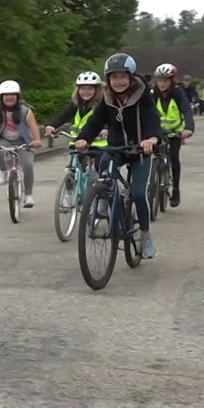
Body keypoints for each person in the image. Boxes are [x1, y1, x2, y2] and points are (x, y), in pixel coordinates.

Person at [73, 53, 162, 259]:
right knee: (104, 166)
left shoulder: (143, 95)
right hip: (117, 147)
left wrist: (152, 139)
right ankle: (103, 198)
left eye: (123, 76)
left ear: (131, 77)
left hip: (141, 149)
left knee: (139, 194)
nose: (118, 81)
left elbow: (152, 119)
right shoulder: (108, 98)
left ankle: (146, 236)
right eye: (113, 77)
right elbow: (96, 120)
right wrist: (83, 138)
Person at [0, 80, 43, 207]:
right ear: (1, 97)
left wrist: (37, 140)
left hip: (23, 141)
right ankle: (3, 170)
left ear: (17, 96)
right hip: (4, 139)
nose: (9, 97)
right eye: (6, 95)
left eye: (12, 94)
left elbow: (33, 127)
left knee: (27, 165)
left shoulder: (25, 111)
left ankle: (28, 195)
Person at [150, 63, 195, 207]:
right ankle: (153, 183)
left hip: (175, 132)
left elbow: (186, 110)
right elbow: (146, 113)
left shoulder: (178, 93)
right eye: (160, 80)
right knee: (152, 157)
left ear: (172, 81)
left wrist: (189, 128)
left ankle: (175, 189)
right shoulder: (152, 94)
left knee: (174, 158)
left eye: (165, 80)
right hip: (157, 133)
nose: (162, 83)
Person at [43, 71, 107, 169]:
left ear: (97, 90)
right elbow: (63, 115)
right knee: (73, 170)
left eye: (90, 89)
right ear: (78, 90)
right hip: (77, 143)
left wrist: (105, 129)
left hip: (97, 145)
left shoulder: (102, 105)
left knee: (101, 170)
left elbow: (106, 118)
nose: (86, 92)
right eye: (82, 89)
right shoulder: (76, 104)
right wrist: (51, 125)